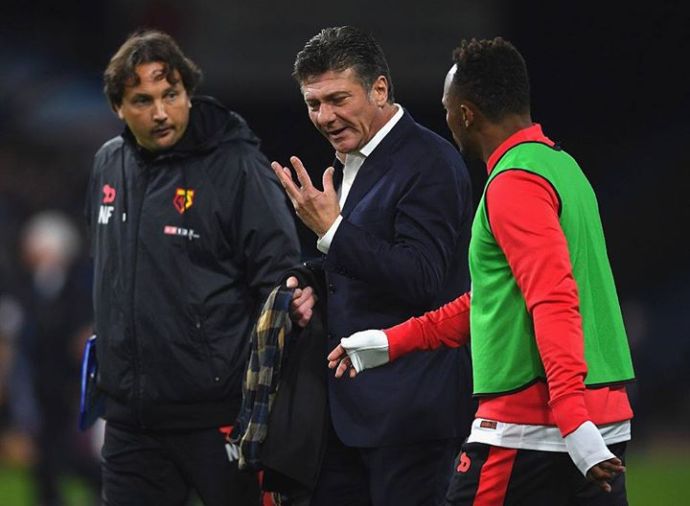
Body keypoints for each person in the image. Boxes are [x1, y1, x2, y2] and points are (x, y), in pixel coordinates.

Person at [328, 37, 635, 505]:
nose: (447, 120)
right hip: (602, 417)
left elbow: (553, 298)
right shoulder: (562, 167)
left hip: (534, 423)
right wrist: (393, 342)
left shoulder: (514, 183)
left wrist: (571, 417)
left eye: (447, 109)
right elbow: (496, 302)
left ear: (466, 114)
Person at [85, 29, 300, 506]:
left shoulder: (237, 165)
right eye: (142, 100)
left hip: (218, 416)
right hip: (130, 420)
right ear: (118, 107)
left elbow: (279, 281)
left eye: (171, 94)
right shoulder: (107, 164)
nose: (161, 112)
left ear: (189, 92)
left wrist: (266, 398)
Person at [272, 26, 474, 506]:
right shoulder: (354, 157)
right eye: (313, 103)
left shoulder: (430, 162)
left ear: (379, 89)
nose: (325, 116)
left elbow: (422, 278)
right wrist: (311, 279)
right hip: (350, 413)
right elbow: (363, 262)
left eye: (338, 99)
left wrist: (333, 231)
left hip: (411, 418)